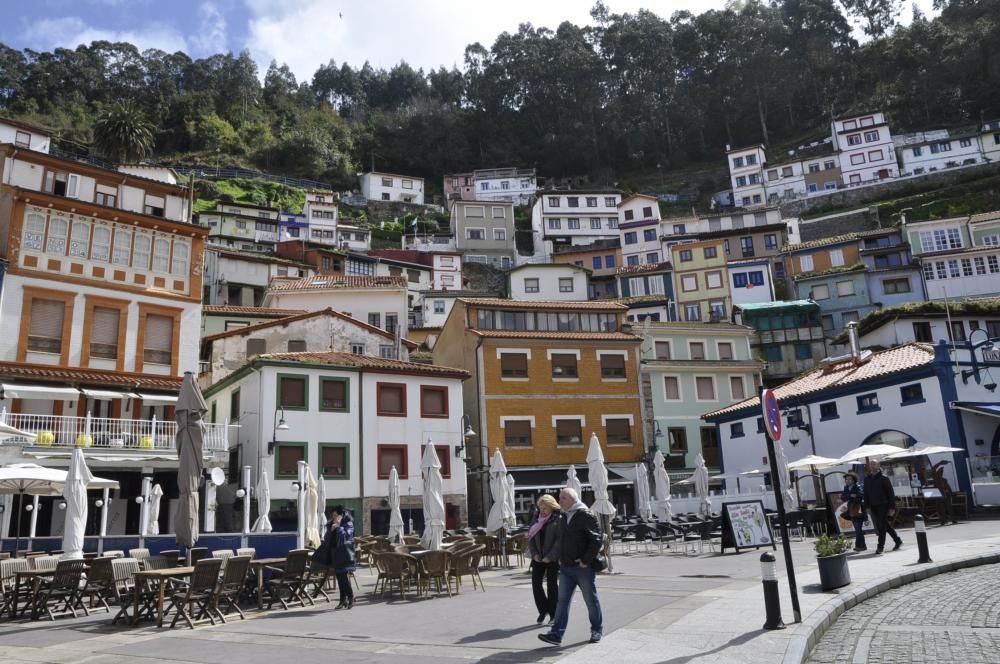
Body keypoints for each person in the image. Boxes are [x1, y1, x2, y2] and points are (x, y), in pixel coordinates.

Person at [538, 487, 604, 647]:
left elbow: (596, 540)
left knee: (590, 600)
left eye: (563, 498)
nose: (559, 501)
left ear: (573, 500)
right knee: (562, 601)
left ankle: (597, 629)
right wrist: (560, 558)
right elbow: (560, 540)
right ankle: (556, 634)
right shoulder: (562, 516)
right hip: (566, 568)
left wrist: (586, 560)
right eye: (559, 498)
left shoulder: (585, 515)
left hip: (582, 568)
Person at [527, 494, 561, 625]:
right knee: (536, 584)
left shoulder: (557, 519)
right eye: (540, 508)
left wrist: (550, 556)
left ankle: (554, 614)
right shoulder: (536, 518)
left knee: (552, 586)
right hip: (538, 557)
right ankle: (543, 610)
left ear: (552, 507)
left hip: (552, 558)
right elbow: (530, 536)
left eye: (545, 508)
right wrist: (534, 554)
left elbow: (559, 541)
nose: (542, 511)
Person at [864, 461, 902, 554]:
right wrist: (867, 506)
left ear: (878, 466)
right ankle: (897, 540)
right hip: (873, 506)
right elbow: (866, 494)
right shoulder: (867, 479)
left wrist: (892, 508)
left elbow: (891, 493)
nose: (872, 466)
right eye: (871, 464)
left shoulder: (884, 478)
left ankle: (880, 547)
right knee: (884, 525)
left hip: (883, 505)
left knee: (881, 526)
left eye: (874, 464)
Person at [330, 505, 356, 609]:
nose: (334, 518)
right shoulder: (333, 523)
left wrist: (339, 526)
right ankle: (343, 600)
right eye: (333, 516)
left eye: (335, 515)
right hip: (337, 554)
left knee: (344, 577)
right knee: (339, 577)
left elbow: (347, 536)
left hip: (346, 554)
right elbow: (331, 538)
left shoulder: (348, 522)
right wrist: (331, 530)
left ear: (341, 515)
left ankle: (351, 597)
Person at [841, 472, 867, 551]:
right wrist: (851, 495)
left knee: (858, 529)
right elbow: (843, 497)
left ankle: (859, 546)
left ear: (854, 480)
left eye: (850, 479)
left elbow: (860, 497)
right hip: (851, 510)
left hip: (858, 509)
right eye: (846, 479)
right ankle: (862, 546)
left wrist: (850, 496)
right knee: (858, 529)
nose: (848, 481)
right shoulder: (846, 487)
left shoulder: (858, 486)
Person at [931, 460, 959, 525]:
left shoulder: (943, 479)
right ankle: (945, 520)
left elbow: (948, 487)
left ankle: (950, 520)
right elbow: (933, 468)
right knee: (942, 508)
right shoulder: (936, 478)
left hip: (944, 494)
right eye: (940, 471)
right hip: (940, 494)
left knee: (947, 508)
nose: (941, 472)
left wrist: (951, 493)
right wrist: (940, 463)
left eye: (941, 472)